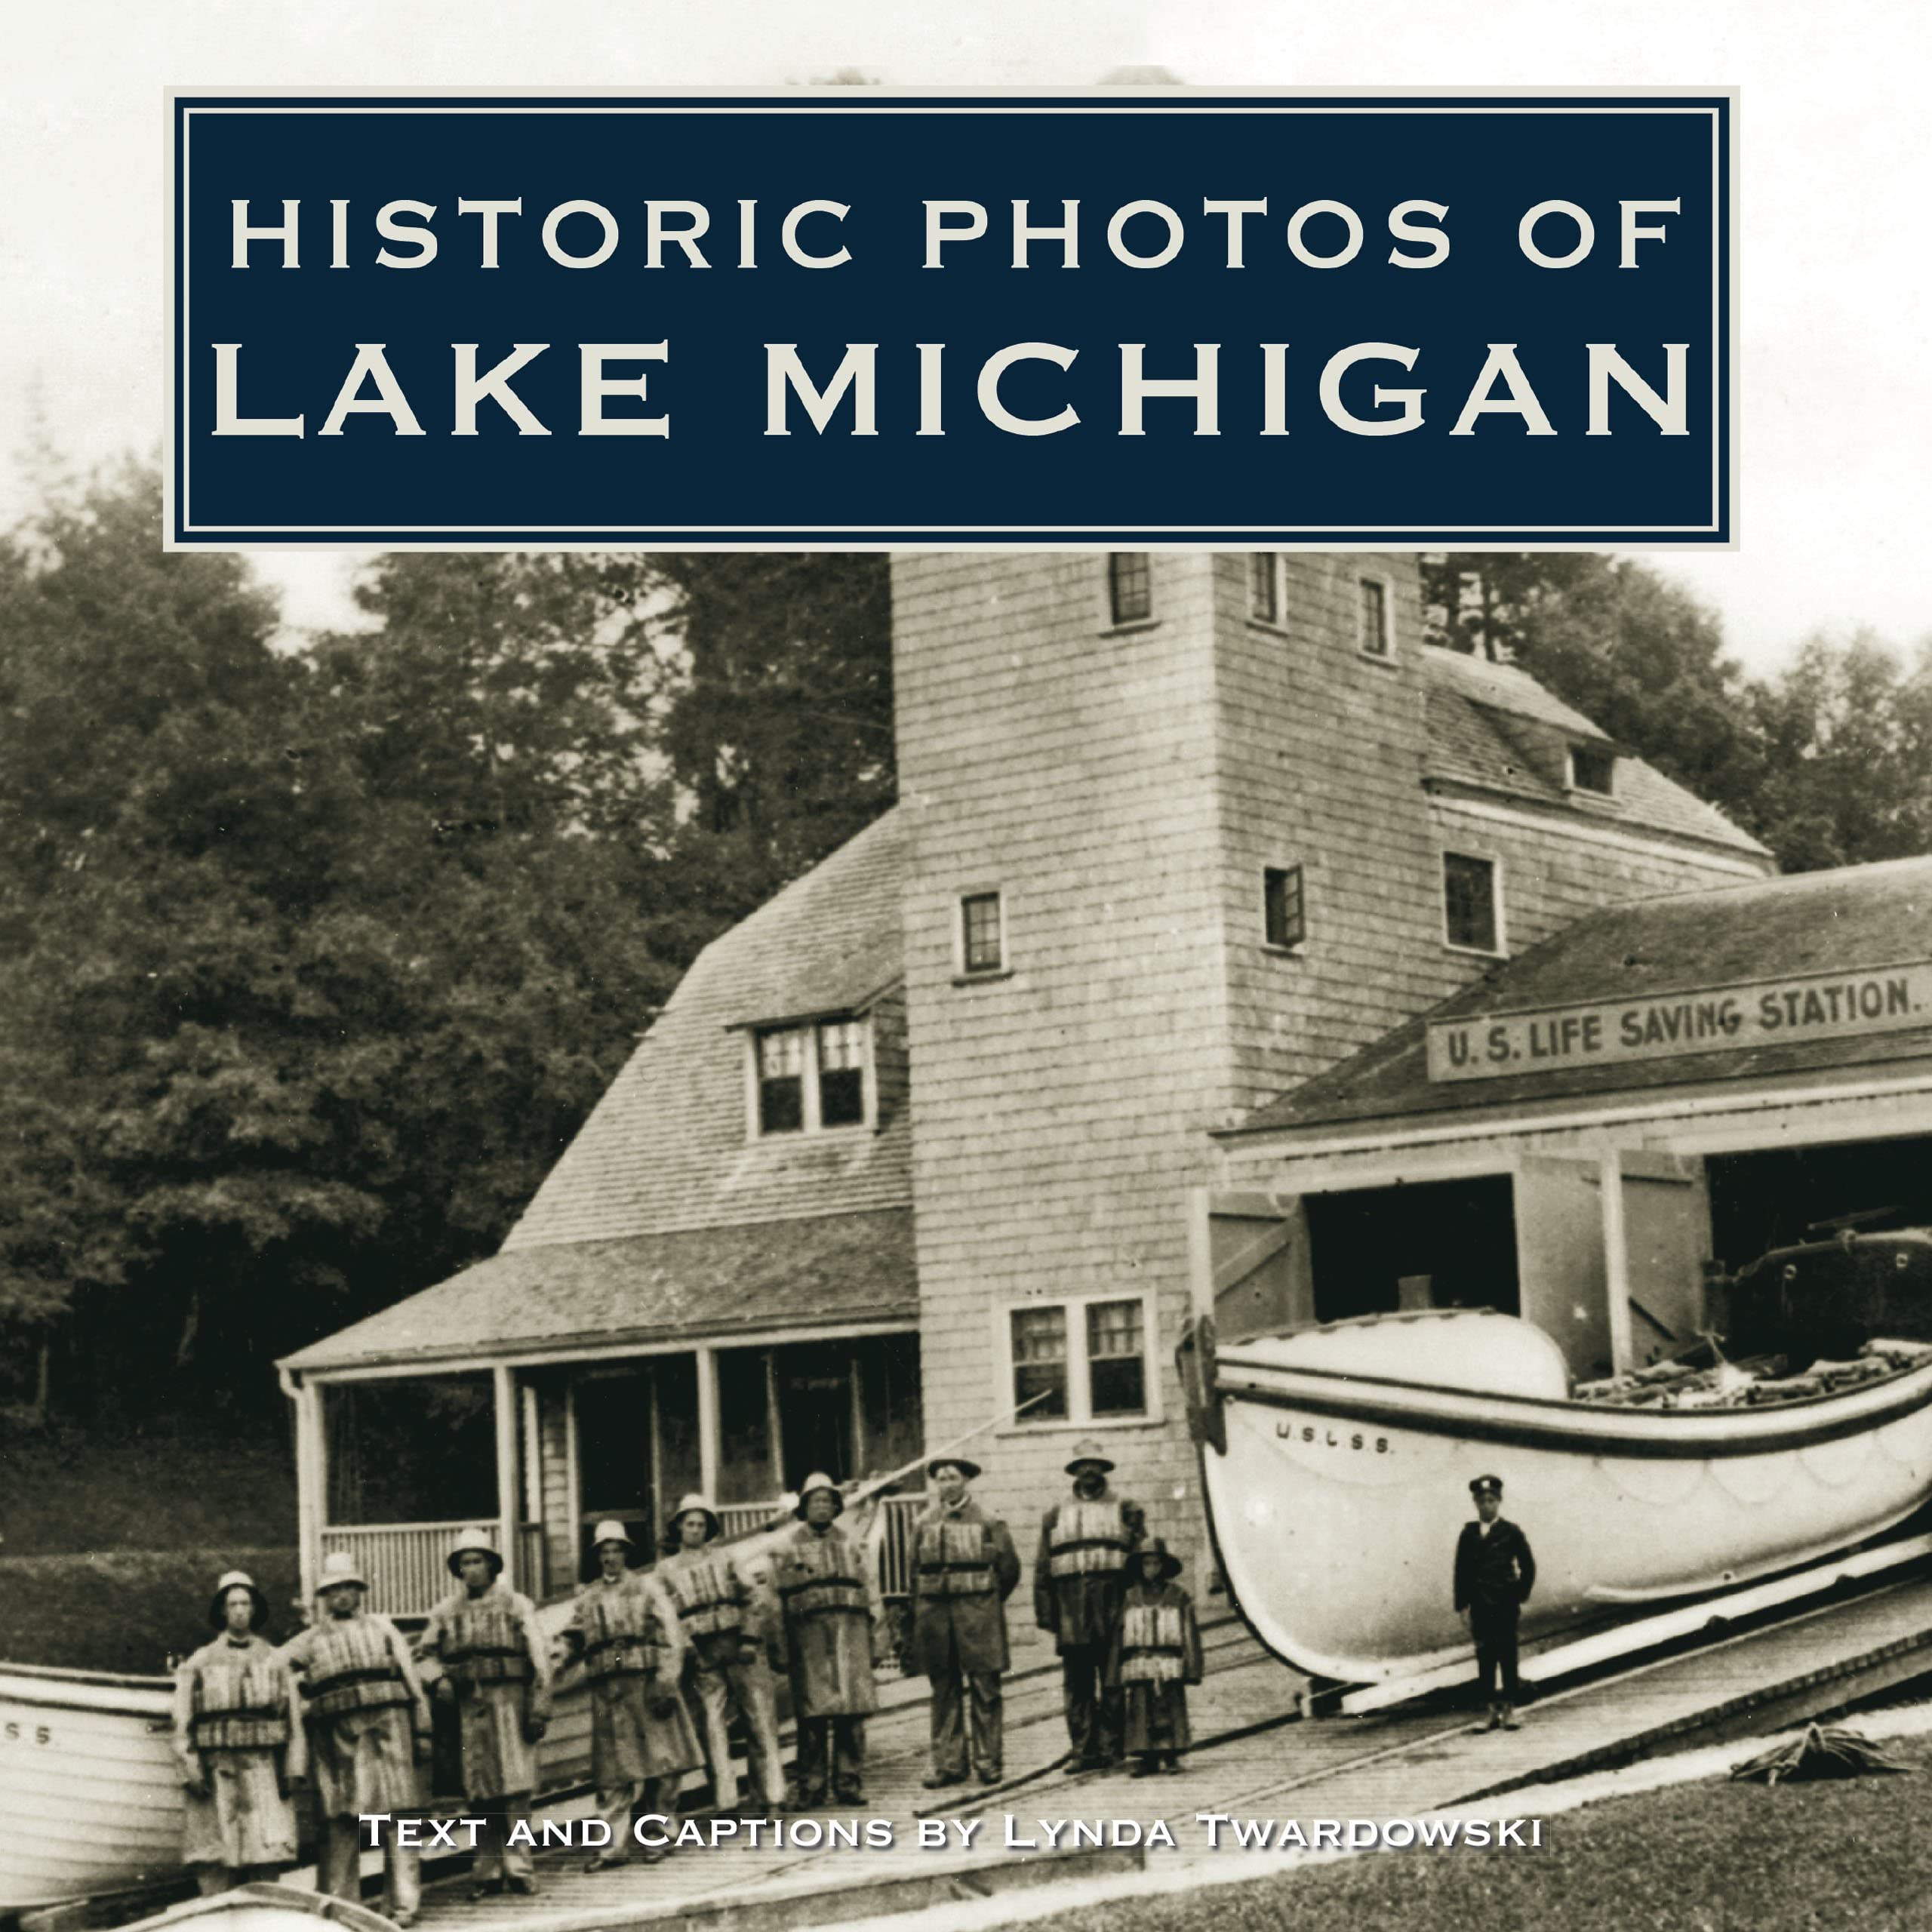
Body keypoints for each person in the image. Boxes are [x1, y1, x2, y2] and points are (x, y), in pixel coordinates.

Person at [280, 1550, 432, 1926]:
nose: (342, 1596)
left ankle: (404, 1906)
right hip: (337, 1741)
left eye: (349, 1588)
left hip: (389, 1731)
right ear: (325, 1597)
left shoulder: (383, 1629)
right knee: (341, 1823)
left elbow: (412, 1679)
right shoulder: (309, 1640)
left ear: (359, 1591)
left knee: (399, 1820)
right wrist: (299, 1693)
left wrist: (422, 1728)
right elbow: (275, 1669)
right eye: (334, 1590)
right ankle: (346, 1907)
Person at [416, 1527, 553, 1897]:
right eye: (465, 1563)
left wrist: (539, 1707)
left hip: (510, 1702)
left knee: (515, 1789)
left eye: (478, 1561)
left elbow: (540, 1657)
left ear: (492, 1565)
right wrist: (439, 1679)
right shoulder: (446, 1611)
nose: (472, 1569)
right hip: (470, 1708)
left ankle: (520, 1868)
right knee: (479, 1793)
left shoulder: (516, 1604)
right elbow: (424, 1654)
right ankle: (487, 1871)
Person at [560, 1518, 704, 1866]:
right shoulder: (589, 1597)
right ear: (598, 1557)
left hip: (646, 1685)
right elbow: (572, 1638)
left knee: (662, 1765)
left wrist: (667, 1682)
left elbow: (671, 1636)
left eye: (616, 1550)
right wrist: (552, 1664)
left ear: (626, 1553)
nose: (611, 1558)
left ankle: (659, 1837)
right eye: (604, 1552)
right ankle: (612, 1848)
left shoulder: (647, 1589)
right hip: (609, 1692)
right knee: (612, 1774)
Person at [171, 1569, 306, 1894]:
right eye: (232, 1605)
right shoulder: (200, 1662)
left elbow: (293, 1721)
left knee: (265, 1849)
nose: (240, 1611)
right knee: (217, 1853)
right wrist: (190, 1768)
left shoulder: (275, 1660)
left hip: (263, 1768)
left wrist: (294, 1769)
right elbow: (182, 1721)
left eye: (245, 1604)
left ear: (255, 1609)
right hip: (217, 1770)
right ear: (222, 1610)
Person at [656, 1494, 789, 1816]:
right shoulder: (666, 1570)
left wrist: (748, 1638)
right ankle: (726, 1802)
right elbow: (665, 1618)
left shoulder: (726, 1559)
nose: (696, 1530)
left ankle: (771, 1798)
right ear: (679, 1528)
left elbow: (752, 1599)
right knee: (713, 1729)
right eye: (690, 1524)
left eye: (702, 1524)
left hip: (741, 1649)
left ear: (709, 1528)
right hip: (703, 1656)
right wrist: (685, 1651)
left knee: (760, 1722)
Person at [772, 1472, 886, 1807]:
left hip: (849, 1637)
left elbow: (872, 1591)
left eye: (827, 1501)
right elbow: (774, 1601)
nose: (821, 1507)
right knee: (812, 1717)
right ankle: (812, 1786)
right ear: (804, 1507)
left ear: (836, 1507)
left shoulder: (852, 1545)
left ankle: (849, 1782)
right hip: (808, 1641)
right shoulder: (786, 1548)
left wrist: (878, 1638)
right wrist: (779, 1644)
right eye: (815, 1501)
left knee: (851, 1714)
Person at [909, 1456, 1020, 1789]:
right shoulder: (923, 1523)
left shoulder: (989, 1521)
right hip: (937, 1619)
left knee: (986, 1689)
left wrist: (983, 1601)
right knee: (944, 1690)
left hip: (979, 1616)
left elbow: (1009, 1570)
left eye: (953, 1477)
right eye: (941, 1479)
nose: (947, 1484)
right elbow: (914, 1572)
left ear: (966, 1481)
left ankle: (988, 1761)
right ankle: (948, 1763)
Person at [1034, 1440, 1143, 1770]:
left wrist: (1137, 1606)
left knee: (1114, 1681)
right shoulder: (1055, 1513)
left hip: (1114, 1607)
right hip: (1072, 1610)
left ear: (1104, 1468)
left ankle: (1113, 1748)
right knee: (1078, 1684)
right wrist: (1046, 1611)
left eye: (1094, 1464)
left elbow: (1140, 1560)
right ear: (1074, 1471)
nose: (1088, 1470)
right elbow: (1043, 1565)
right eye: (1082, 1465)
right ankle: (1084, 1749)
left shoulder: (1126, 1508)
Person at [1108, 1537, 1203, 1777]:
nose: (1151, 1569)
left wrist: (1192, 1668)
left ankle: (1171, 1755)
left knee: (1171, 1705)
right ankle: (1146, 1756)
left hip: (1169, 1663)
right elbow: (1119, 1637)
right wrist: (1114, 1672)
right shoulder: (1130, 1598)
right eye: (1146, 1564)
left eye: (1155, 1563)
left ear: (1163, 1566)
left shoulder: (1178, 1596)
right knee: (1140, 1708)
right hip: (1140, 1663)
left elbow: (1190, 1633)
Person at [1453, 1474, 1536, 1730]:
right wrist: (1462, 1605)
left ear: (1498, 1502)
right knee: (1485, 1657)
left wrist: (1518, 1594)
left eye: (1491, 1500)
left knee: (1507, 1655)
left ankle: (1510, 1709)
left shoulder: (1511, 1532)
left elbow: (1528, 1566)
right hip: (1480, 1605)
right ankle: (1490, 1711)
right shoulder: (1468, 1534)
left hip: (1504, 1605)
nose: (1486, 1506)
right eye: (1481, 1501)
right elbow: (1461, 1570)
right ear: (1475, 1504)